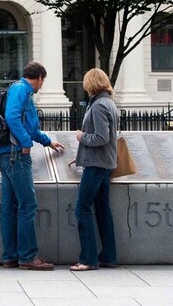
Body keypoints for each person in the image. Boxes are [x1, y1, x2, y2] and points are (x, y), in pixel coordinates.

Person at [0, 61, 65, 271]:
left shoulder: (18, 90)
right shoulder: (21, 90)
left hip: (5, 153)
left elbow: (31, 127)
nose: (42, 86)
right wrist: (26, 143)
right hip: (16, 155)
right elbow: (12, 117)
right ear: (39, 78)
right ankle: (27, 256)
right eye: (43, 82)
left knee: (9, 205)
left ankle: (10, 256)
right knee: (27, 205)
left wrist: (47, 141)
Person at [71, 68, 119, 272]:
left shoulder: (99, 106)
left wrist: (82, 137)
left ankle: (89, 259)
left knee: (82, 209)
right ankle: (109, 256)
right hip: (105, 163)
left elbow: (101, 138)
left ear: (90, 84)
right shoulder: (109, 103)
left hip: (96, 165)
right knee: (102, 209)